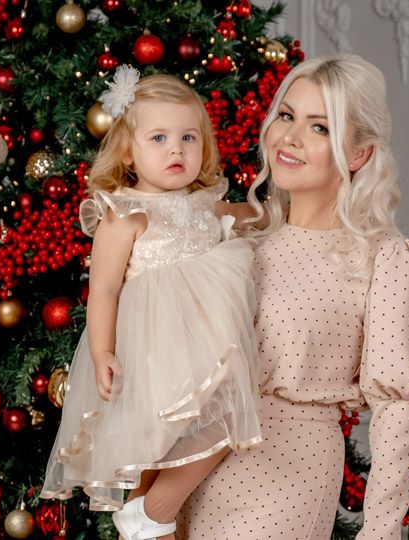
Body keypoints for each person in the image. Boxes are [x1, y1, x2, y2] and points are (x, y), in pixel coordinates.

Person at [177, 53, 409, 539]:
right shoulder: (237, 237)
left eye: (320, 127)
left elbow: (396, 414)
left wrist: (379, 533)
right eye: (286, 116)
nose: (290, 137)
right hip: (193, 470)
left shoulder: (382, 259)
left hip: (288, 474)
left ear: (359, 154)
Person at [40, 65, 262, 540]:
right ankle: (151, 519)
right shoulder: (125, 213)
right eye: (159, 138)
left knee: (227, 417)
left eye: (188, 138)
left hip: (207, 346)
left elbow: (252, 216)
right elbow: (103, 290)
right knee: (153, 450)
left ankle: (152, 513)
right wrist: (102, 352)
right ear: (128, 151)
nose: (176, 149)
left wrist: (284, 211)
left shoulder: (207, 202)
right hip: (153, 353)